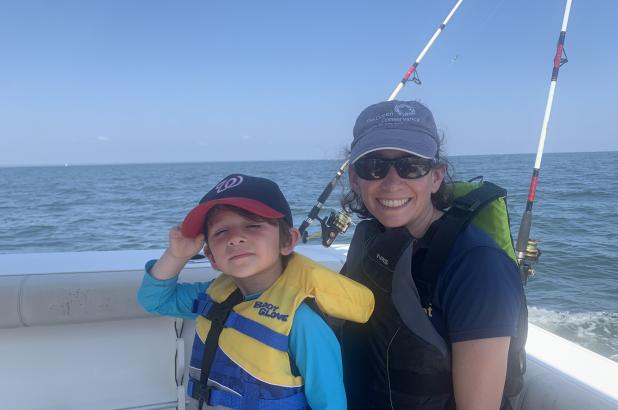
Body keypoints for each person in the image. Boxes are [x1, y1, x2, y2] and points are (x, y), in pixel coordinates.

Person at [339, 100, 527, 409]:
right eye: (374, 166)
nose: (391, 183)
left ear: (436, 176)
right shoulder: (371, 242)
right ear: (355, 180)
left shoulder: (478, 267)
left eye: (411, 165)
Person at [138, 173, 374, 410]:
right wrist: (177, 255)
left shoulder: (302, 322)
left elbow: (330, 402)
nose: (236, 238)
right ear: (211, 257)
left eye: (253, 225)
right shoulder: (212, 296)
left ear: (287, 241)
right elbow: (155, 300)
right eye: (221, 232)